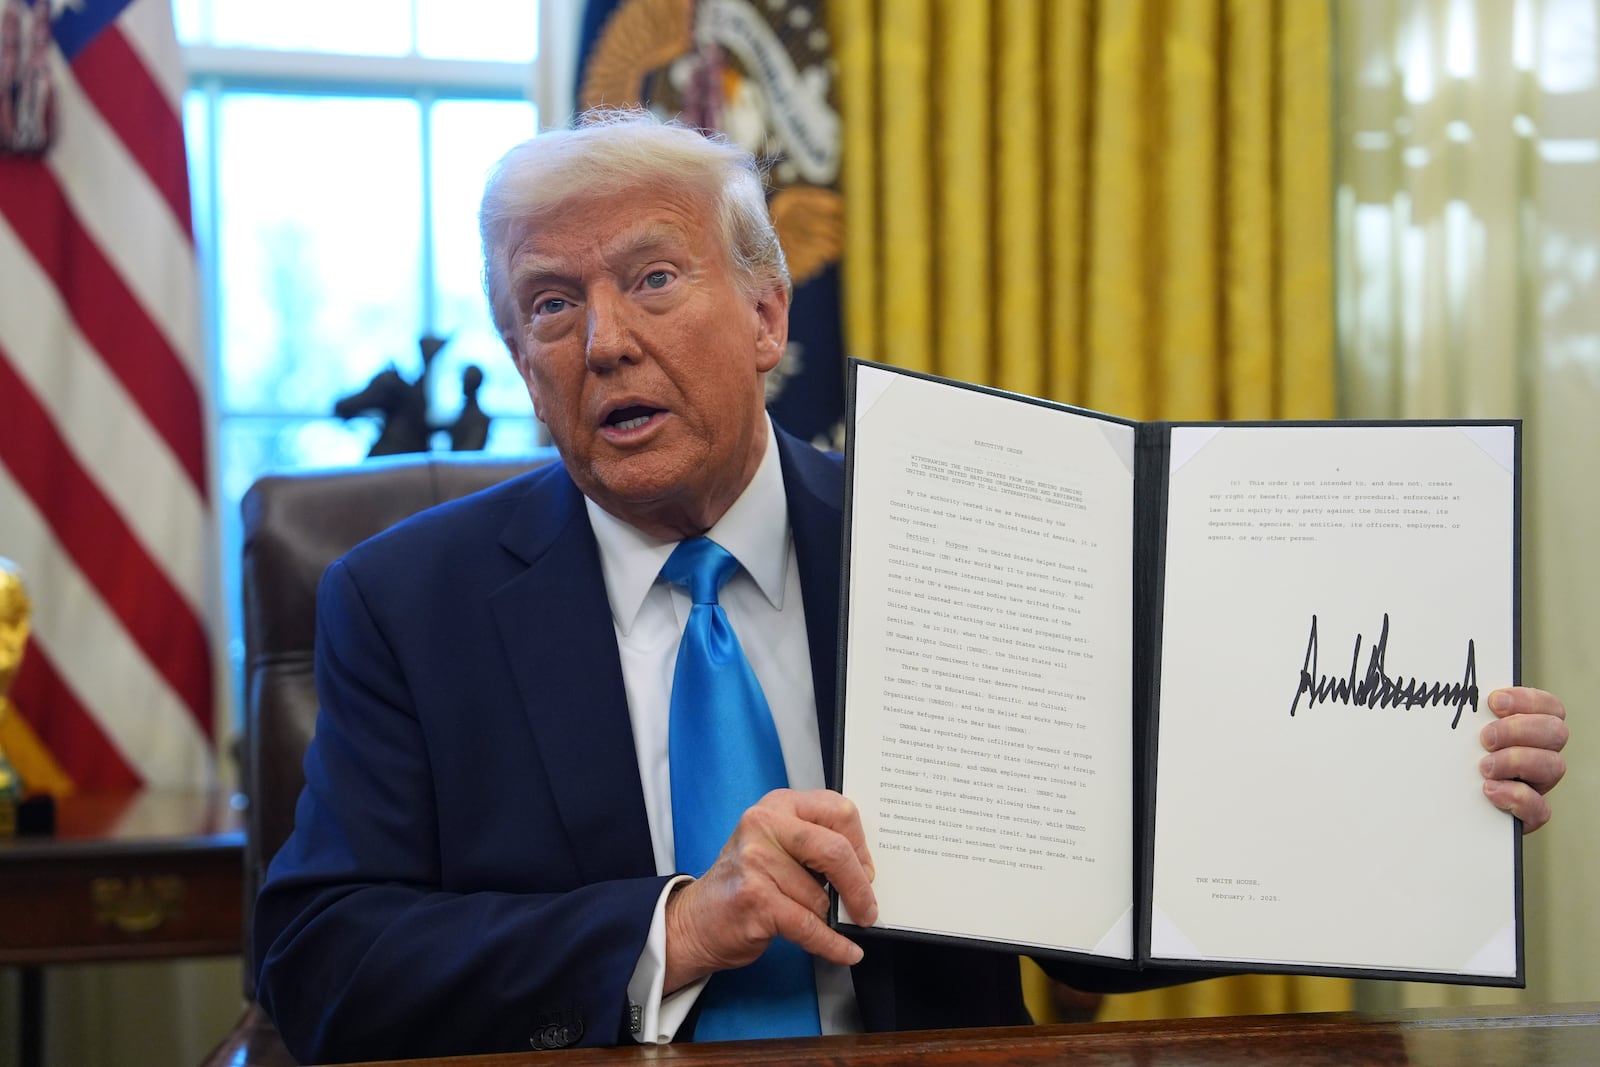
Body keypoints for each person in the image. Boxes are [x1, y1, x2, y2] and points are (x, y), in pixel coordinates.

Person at [252, 110, 1571, 1064]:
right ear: (522, 357)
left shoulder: (965, 537)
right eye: (549, 305)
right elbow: (322, 964)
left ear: (767, 317)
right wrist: (674, 930)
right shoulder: (404, 602)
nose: (604, 341)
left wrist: (1412, 802)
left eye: (654, 278)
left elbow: (1108, 910)